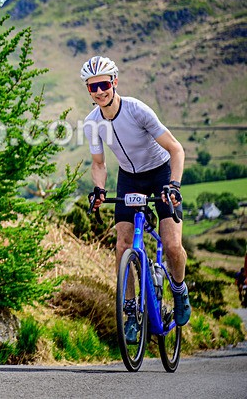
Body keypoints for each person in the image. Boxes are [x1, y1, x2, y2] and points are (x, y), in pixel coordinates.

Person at [82, 56, 191, 342]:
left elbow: (176, 149)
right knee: (122, 246)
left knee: (171, 244)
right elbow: (99, 163)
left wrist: (174, 185)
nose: (99, 92)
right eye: (93, 87)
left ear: (114, 82)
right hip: (129, 177)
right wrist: (99, 189)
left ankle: (179, 291)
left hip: (160, 174)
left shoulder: (137, 110)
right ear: (88, 91)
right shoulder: (92, 122)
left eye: (104, 84)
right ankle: (130, 310)